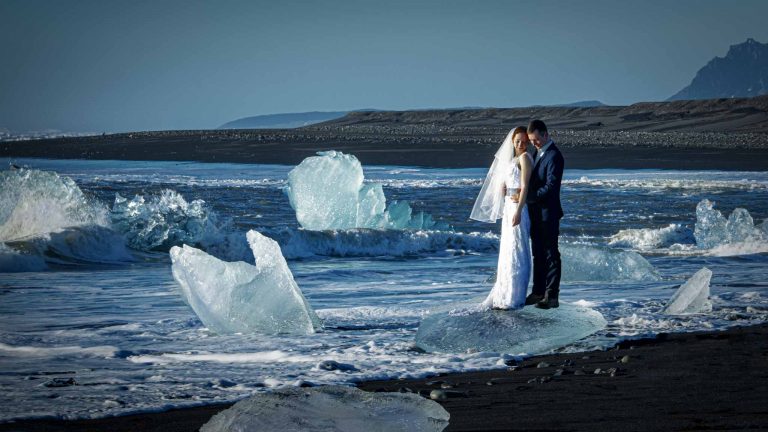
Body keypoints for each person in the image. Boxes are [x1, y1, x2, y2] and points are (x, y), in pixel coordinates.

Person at [470, 126, 533, 309]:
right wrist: (504, 191)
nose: (520, 144)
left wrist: (519, 210)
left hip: (517, 207)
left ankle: (514, 295)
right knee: (508, 250)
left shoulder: (525, 158)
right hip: (508, 206)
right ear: (513, 142)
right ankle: (504, 292)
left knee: (518, 250)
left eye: (523, 141)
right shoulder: (513, 159)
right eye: (517, 141)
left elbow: (525, 186)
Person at [515, 119, 564, 309]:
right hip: (536, 214)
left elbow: (551, 187)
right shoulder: (537, 152)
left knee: (551, 254)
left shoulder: (554, 156)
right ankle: (538, 292)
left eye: (535, 140)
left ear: (545, 134)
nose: (533, 144)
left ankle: (552, 296)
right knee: (538, 254)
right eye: (531, 140)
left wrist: (528, 197)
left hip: (549, 213)